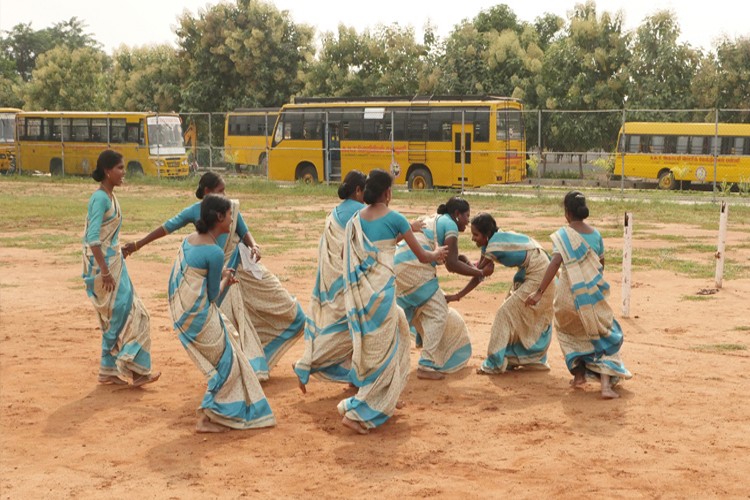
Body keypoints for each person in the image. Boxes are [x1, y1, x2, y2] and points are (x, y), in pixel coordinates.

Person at [123, 172, 306, 376]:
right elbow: (167, 228)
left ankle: (254, 360)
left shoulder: (230, 209)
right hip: (220, 277)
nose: (226, 196)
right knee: (232, 327)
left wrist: (254, 246)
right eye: (221, 191)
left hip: (243, 270)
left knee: (287, 308)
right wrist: (137, 245)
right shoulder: (196, 215)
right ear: (207, 192)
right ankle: (242, 370)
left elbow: (244, 232)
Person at [339, 169, 448, 434]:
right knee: (385, 353)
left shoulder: (356, 219)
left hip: (362, 296)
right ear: (387, 193)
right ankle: (361, 411)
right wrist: (438, 252)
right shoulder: (396, 218)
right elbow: (423, 256)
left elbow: (349, 252)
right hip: (383, 295)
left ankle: (388, 395)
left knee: (399, 331)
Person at [168, 194, 276, 432]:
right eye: (229, 215)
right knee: (229, 365)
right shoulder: (215, 252)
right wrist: (226, 279)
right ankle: (208, 417)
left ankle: (213, 413)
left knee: (228, 359)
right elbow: (213, 295)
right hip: (200, 318)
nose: (232, 219)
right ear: (219, 217)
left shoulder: (189, 240)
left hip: (184, 315)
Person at [525, 191, 632, 399]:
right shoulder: (596, 235)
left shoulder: (563, 236)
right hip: (589, 298)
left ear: (567, 213)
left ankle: (579, 375)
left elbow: (554, 263)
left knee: (569, 334)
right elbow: (600, 267)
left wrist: (539, 293)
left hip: (566, 300)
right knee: (600, 337)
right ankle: (605, 387)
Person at [82, 150, 160, 387]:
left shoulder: (110, 196)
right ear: (107, 171)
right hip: (103, 269)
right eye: (120, 168)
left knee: (122, 317)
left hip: (114, 264)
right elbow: (93, 238)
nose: (124, 172)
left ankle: (112, 370)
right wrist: (105, 270)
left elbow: (107, 237)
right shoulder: (101, 199)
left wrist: (121, 251)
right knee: (131, 316)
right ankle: (130, 371)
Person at [394, 196, 489, 380]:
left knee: (415, 312)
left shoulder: (436, 219)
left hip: (399, 266)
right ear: (456, 214)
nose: (468, 221)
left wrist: (471, 266)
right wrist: (479, 273)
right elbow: (452, 264)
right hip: (414, 268)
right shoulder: (451, 225)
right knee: (438, 311)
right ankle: (427, 364)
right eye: (466, 216)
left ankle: (390, 362)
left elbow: (452, 258)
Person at [449, 213, 554, 375]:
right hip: (528, 271)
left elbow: (479, 273)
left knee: (504, 314)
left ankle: (495, 362)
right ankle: (517, 358)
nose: (473, 239)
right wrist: (459, 292)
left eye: (476, 235)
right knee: (513, 312)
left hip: (539, 272)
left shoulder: (494, 245)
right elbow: (481, 271)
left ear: (486, 235)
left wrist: (461, 264)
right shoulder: (491, 242)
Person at [293, 171, 366, 392]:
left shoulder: (335, 212)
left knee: (353, 331)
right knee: (351, 330)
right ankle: (306, 364)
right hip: (347, 282)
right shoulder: (361, 212)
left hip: (331, 280)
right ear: (359, 191)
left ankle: (356, 377)